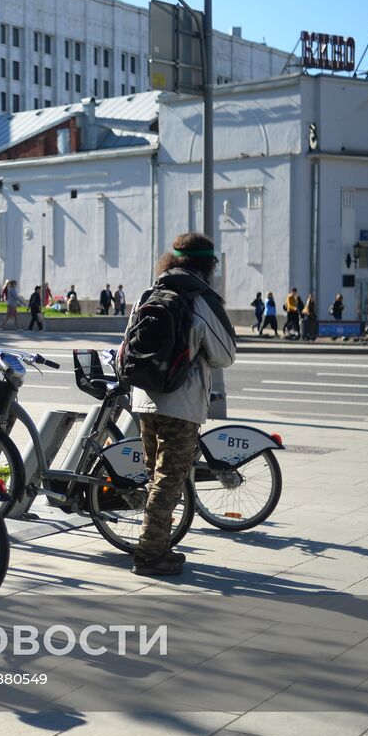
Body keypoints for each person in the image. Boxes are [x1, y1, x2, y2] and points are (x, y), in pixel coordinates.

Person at [127, 232, 236, 576]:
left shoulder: (150, 292)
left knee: (155, 479)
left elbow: (127, 344)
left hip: (144, 399)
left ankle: (158, 545)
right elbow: (226, 355)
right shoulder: (199, 301)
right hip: (181, 404)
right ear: (208, 264)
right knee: (168, 482)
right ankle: (148, 556)